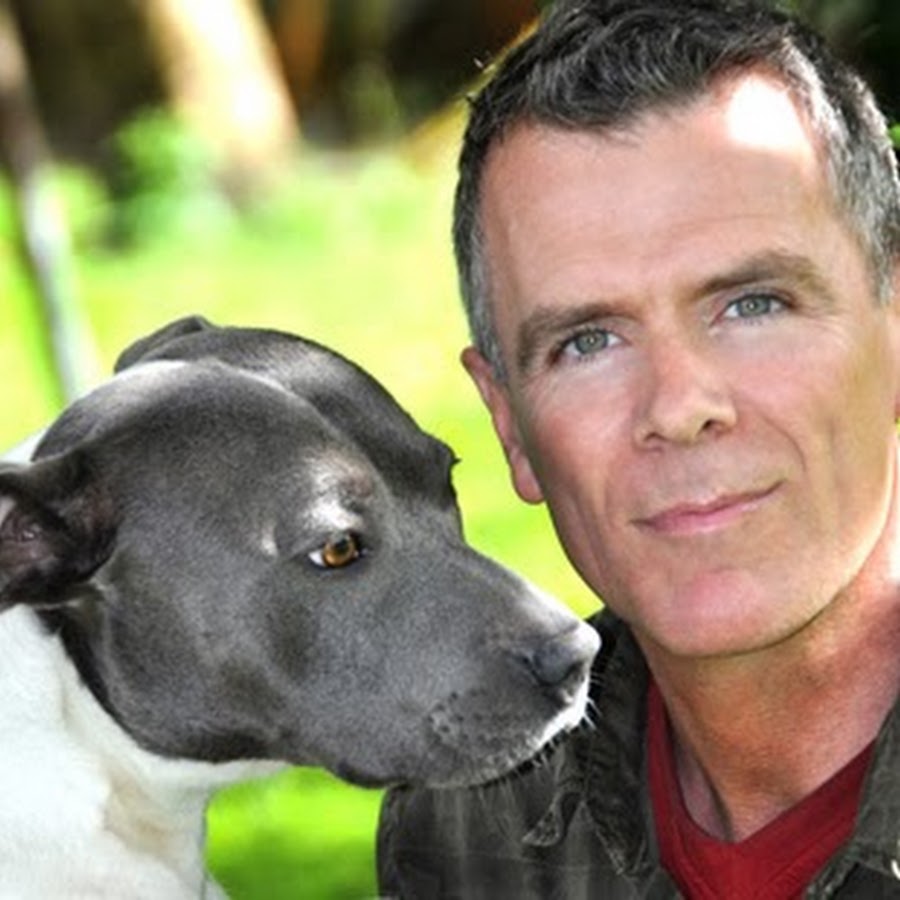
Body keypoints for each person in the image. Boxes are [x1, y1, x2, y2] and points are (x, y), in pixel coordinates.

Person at [377, 0, 900, 896]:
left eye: (753, 304)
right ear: (510, 424)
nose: (680, 406)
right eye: (587, 342)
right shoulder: (475, 827)